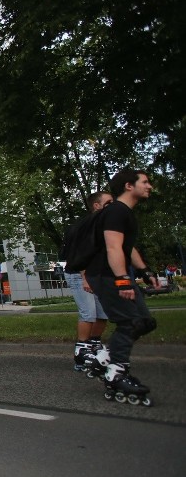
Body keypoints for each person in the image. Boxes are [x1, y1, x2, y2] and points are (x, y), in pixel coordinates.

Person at [84, 169, 158, 406]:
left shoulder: (124, 213)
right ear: (129, 185)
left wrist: (145, 271)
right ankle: (116, 372)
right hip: (107, 276)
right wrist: (123, 280)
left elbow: (128, 247)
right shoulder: (116, 211)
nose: (149, 186)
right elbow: (113, 248)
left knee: (145, 321)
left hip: (115, 274)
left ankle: (103, 358)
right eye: (145, 182)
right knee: (130, 322)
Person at [60, 191, 113, 371]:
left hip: (96, 275)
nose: (112, 205)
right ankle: (81, 351)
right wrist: (85, 278)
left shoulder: (104, 225)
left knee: (103, 314)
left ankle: (94, 344)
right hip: (79, 273)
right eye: (108, 202)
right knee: (88, 312)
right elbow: (80, 254)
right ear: (96, 206)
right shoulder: (87, 226)